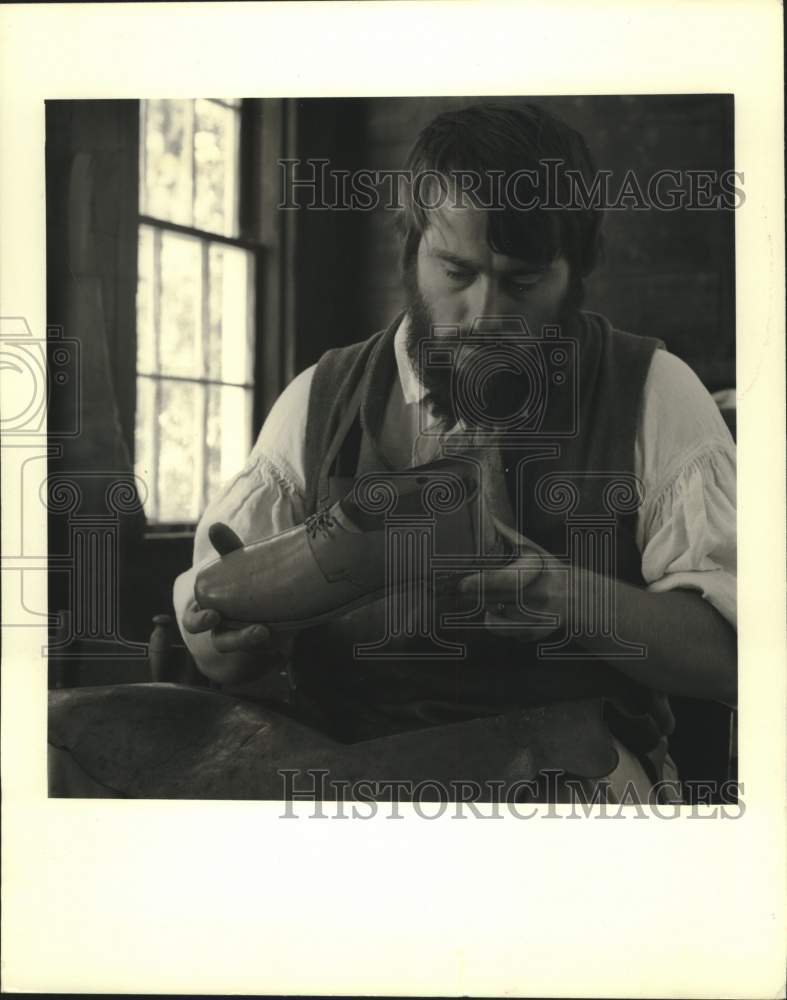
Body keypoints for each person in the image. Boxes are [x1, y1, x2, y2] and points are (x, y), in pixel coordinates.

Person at [173, 103, 737, 802]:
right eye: (456, 272)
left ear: (578, 266)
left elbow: (729, 658)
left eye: (523, 282)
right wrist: (214, 643)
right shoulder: (323, 395)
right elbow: (215, 590)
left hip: (565, 771)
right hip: (342, 761)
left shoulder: (651, 389)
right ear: (411, 248)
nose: (485, 315)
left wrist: (560, 592)